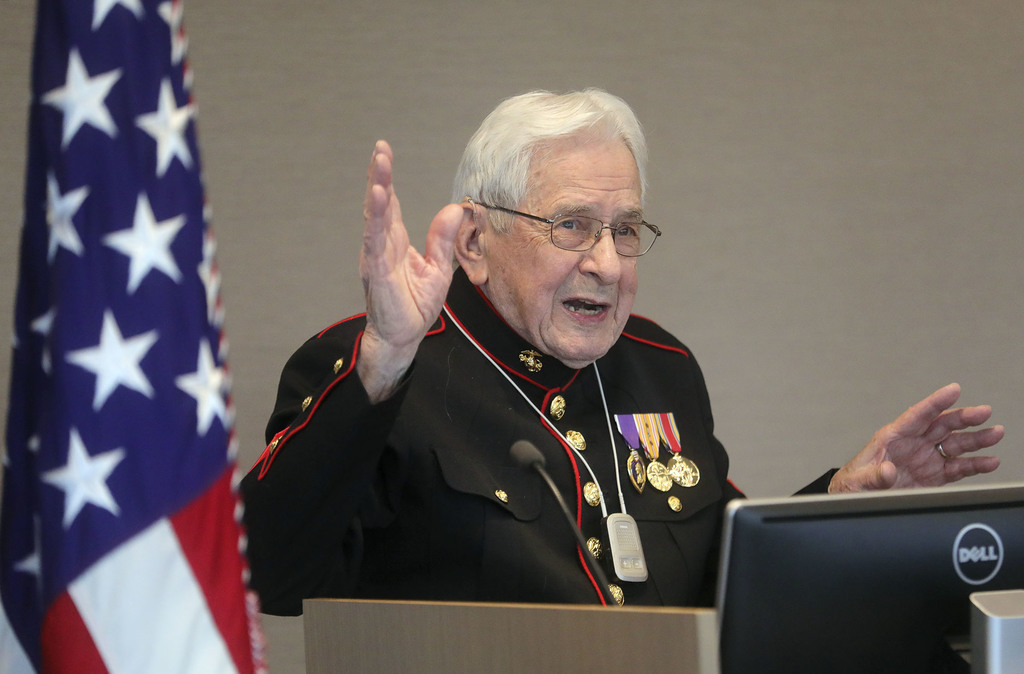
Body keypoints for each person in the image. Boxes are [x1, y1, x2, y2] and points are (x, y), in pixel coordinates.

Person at [240, 89, 1003, 617]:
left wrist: (837, 505)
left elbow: (721, 577)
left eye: (626, 230)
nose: (608, 263)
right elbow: (268, 578)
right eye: (572, 225)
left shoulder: (660, 364)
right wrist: (381, 363)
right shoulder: (370, 366)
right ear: (475, 241)